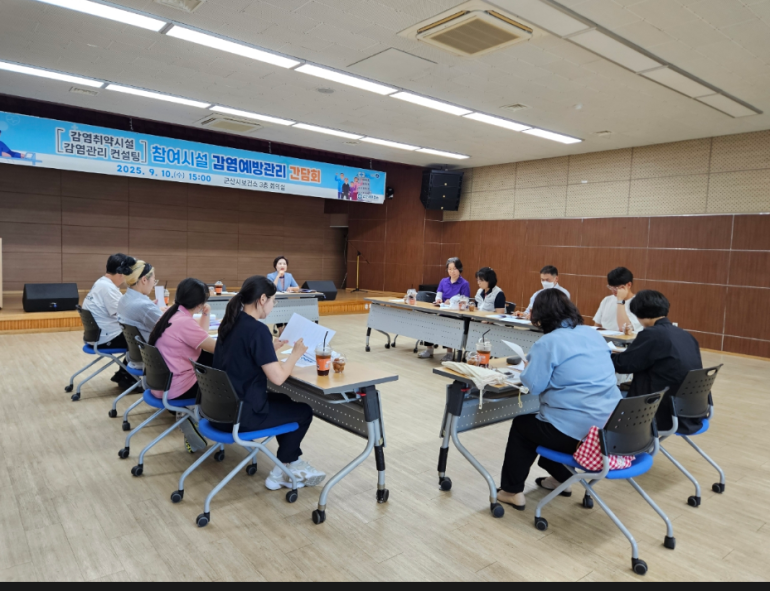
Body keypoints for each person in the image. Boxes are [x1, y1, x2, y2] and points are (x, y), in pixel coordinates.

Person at [498, 289, 621, 510]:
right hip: (609, 428)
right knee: (546, 426)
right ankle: (560, 479)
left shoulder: (548, 342)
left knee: (524, 426)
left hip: (580, 434)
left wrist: (528, 367)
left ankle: (511, 491)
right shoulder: (593, 334)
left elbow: (534, 386)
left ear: (540, 316)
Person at [213, 275, 326, 491]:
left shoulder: (230, 322)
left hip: (218, 410)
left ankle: (291, 463)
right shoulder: (258, 330)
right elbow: (278, 378)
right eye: (274, 300)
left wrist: (268, 349)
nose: (274, 306)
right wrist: (295, 354)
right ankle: (282, 470)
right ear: (262, 299)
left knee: (284, 400)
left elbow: (240, 355)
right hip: (241, 416)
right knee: (303, 412)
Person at [611, 290, 704, 434]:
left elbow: (623, 365)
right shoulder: (686, 335)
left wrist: (605, 354)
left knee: (608, 395)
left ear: (639, 313)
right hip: (691, 411)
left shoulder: (652, 334)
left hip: (658, 413)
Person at [148, 278, 216, 453]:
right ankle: (212, 423)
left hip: (159, 384)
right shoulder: (184, 322)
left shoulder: (171, 314)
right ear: (199, 303)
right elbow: (217, 348)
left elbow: (200, 338)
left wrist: (205, 315)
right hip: (177, 388)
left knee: (209, 361)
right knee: (222, 377)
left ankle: (190, 416)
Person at [83, 253, 133, 388]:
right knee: (144, 339)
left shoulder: (101, 283)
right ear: (120, 272)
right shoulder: (108, 288)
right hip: (105, 338)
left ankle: (124, 374)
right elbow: (126, 315)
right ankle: (127, 376)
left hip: (95, 336)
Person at [418, 257, 471, 361]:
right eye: (449, 269)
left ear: (459, 269)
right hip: (443, 311)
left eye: (454, 269)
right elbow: (438, 295)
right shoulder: (443, 281)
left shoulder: (464, 284)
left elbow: (465, 301)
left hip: (456, 315)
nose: (452, 271)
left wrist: (451, 302)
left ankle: (449, 353)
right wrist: (438, 300)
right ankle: (429, 349)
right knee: (429, 322)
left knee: (448, 325)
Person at [117, 259, 164, 342]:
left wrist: (155, 309)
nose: (153, 285)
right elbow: (169, 327)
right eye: (154, 280)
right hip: (154, 348)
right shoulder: (145, 306)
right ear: (144, 280)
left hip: (136, 348)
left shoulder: (123, 299)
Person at [593, 267, 643, 333]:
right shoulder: (607, 300)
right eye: (611, 287)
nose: (613, 291)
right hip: (605, 338)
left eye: (616, 288)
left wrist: (620, 300)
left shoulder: (639, 303)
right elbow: (597, 326)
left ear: (628, 285)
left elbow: (624, 329)